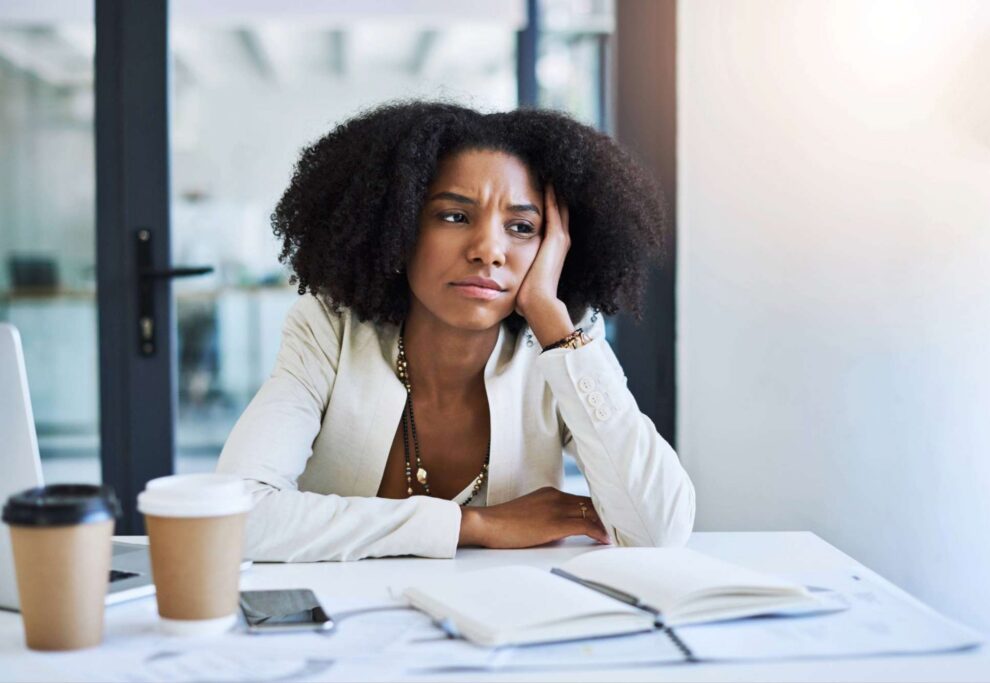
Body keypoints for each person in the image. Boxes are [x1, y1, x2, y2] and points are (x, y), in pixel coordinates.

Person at [216, 101, 696, 561]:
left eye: (523, 227)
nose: (489, 250)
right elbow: (233, 516)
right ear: (397, 226)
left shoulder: (560, 349)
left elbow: (659, 530)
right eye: (454, 216)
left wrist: (553, 323)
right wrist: (474, 525)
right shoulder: (329, 329)